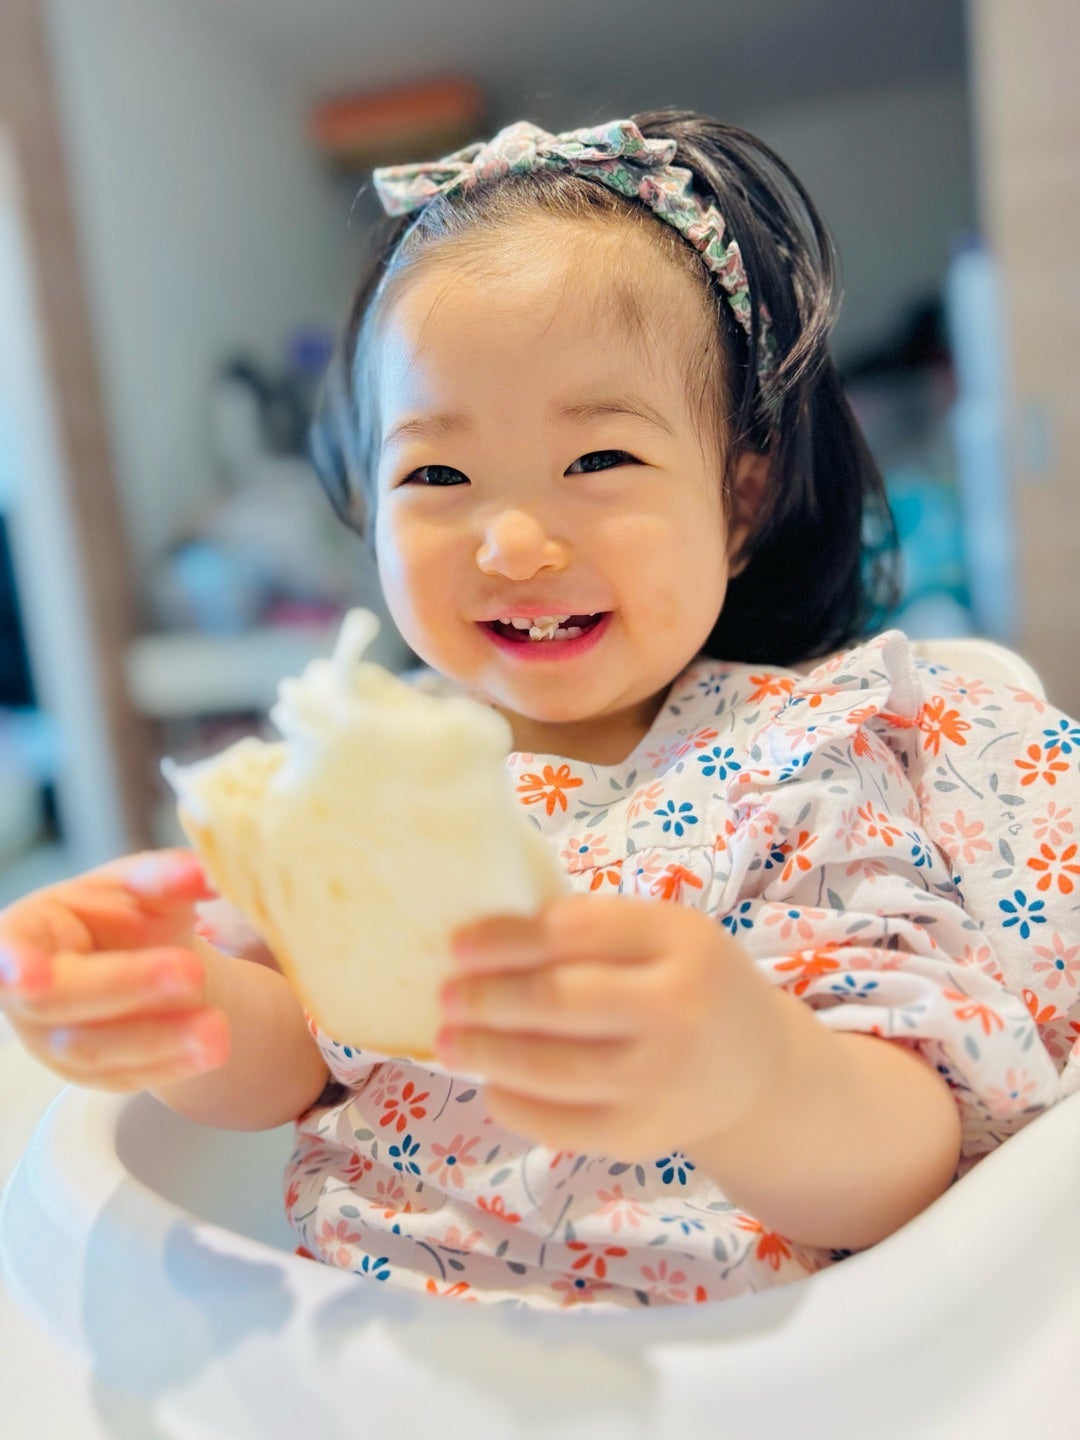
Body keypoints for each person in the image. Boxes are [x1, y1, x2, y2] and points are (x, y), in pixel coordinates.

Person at [2, 112, 1078, 1311]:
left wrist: (750, 1073)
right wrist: (170, 1005)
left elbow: (909, 1164)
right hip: (377, 1352)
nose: (513, 543)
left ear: (740, 498)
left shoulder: (808, 753)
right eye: (438, 475)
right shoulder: (358, 794)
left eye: (599, 462)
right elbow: (292, 1060)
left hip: (733, 1367)